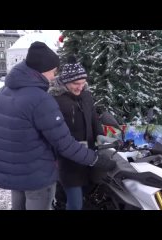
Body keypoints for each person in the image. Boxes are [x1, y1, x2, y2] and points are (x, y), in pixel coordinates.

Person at [0, 42, 116, 210]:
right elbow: (64, 143)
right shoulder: (41, 99)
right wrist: (96, 159)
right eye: (54, 70)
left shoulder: (3, 92)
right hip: (37, 172)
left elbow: (10, 128)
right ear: (43, 69)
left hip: (14, 170)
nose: (55, 76)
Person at [49, 56, 104, 210]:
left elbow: (94, 119)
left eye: (82, 83)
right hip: (68, 162)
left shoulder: (86, 96)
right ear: (65, 82)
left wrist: (101, 138)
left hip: (89, 157)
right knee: (75, 204)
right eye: (75, 83)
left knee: (87, 198)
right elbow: (54, 134)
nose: (80, 87)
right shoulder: (56, 100)